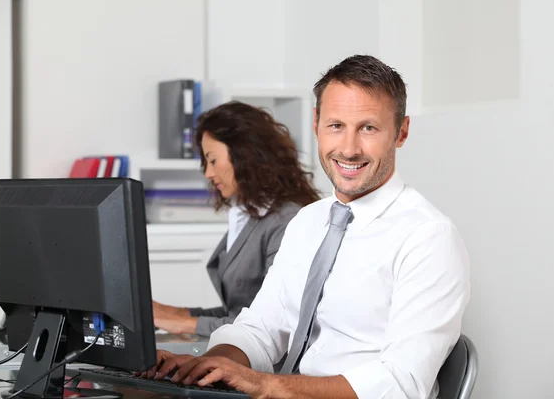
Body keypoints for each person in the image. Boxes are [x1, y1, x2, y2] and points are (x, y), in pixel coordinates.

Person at [142, 55, 471, 399]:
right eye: (336, 125)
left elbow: (402, 383)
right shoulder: (309, 221)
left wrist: (267, 385)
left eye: (368, 128)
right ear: (316, 124)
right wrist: (204, 369)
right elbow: (262, 328)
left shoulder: (427, 238)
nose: (348, 148)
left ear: (401, 132)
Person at [152, 101, 321, 337]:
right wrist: (170, 313)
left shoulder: (287, 220)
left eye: (212, 160)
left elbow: (276, 322)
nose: (208, 173)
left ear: (244, 155)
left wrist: (183, 323)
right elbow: (242, 311)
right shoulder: (248, 215)